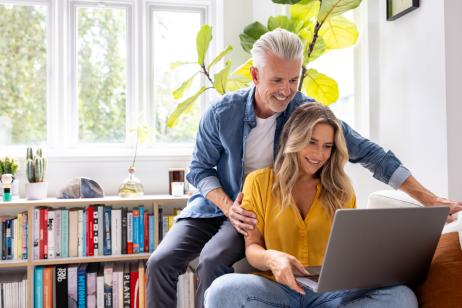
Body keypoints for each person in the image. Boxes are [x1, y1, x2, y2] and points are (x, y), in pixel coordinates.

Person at [146, 29, 462, 308]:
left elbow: (370, 153)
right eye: (277, 80)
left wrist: (429, 199)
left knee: (213, 258)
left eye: (294, 79)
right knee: (160, 261)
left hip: (254, 209)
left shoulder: (304, 112)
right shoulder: (221, 113)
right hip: (216, 203)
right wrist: (229, 207)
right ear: (256, 76)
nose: (286, 90)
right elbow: (199, 169)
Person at [204, 103, 418, 308]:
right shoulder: (259, 182)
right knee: (222, 290)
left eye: (328, 146)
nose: (319, 155)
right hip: (277, 290)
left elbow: (349, 253)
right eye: (311, 142)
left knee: (401, 297)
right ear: (293, 139)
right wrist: (272, 258)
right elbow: (252, 248)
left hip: (330, 293)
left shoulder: (342, 190)